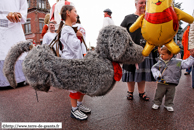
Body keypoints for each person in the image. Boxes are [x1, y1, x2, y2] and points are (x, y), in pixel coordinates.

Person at [56, 5, 91, 120]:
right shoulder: (66, 29)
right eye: (75, 11)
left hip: (76, 62)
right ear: (68, 13)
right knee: (74, 86)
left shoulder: (69, 29)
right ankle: (74, 109)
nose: (76, 14)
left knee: (81, 85)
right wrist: (79, 37)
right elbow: (74, 46)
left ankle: (79, 106)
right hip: (71, 63)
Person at [120, 0, 157, 101]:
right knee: (131, 72)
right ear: (135, 4)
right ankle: (130, 92)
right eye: (141, 2)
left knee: (142, 73)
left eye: (145, 3)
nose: (143, 5)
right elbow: (121, 32)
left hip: (145, 50)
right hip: (131, 50)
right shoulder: (128, 18)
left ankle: (141, 92)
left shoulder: (150, 17)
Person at [151, 46, 194, 111]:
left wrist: (192, 57)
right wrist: (157, 75)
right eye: (161, 54)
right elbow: (154, 68)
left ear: (170, 55)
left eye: (163, 54)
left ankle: (168, 104)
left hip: (172, 81)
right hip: (162, 81)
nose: (161, 56)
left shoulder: (178, 62)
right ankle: (157, 103)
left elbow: (187, 64)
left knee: (170, 94)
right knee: (159, 93)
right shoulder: (160, 62)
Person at [0, 0, 27, 87]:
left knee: (17, 48)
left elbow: (23, 8)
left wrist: (18, 15)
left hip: (15, 24)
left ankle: (22, 77)